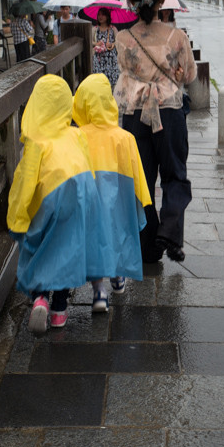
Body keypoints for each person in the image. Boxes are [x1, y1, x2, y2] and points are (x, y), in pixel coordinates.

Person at [7, 75, 103, 334]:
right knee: (67, 250)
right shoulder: (75, 135)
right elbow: (88, 166)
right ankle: (60, 312)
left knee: (39, 246)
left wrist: (18, 220)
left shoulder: (36, 143)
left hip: (51, 197)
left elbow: (24, 183)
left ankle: (40, 298)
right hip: (81, 192)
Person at [114, 0, 197, 264]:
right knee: (174, 175)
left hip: (135, 117)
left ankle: (148, 248)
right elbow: (189, 76)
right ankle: (170, 232)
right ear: (162, 0)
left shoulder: (122, 38)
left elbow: (124, 74)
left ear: (131, 2)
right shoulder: (177, 37)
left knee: (142, 180)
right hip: (170, 113)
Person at [72, 73, 152, 304]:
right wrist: (143, 199)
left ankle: (98, 291)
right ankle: (117, 276)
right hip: (118, 199)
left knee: (93, 240)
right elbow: (136, 172)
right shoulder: (125, 138)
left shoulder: (77, 136)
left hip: (88, 200)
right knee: (117, 233)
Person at [92, 7, 120, 88]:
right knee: (99, 83)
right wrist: (96, 43)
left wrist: (112, 44)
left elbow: (118, 41)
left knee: (111, 83)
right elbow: (90, 41)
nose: (100, 17)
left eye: (103, 15)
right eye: (99, 15)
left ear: (107, 16)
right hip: (98, 59)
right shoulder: (95, 29)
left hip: (111, 60)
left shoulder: (113, 29)